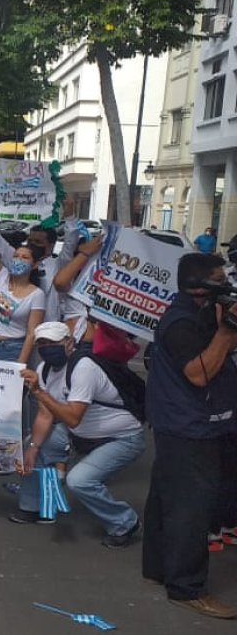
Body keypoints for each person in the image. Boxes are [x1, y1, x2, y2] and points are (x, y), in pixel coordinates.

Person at [142, 253, 237, 619]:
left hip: (181, 422)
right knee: (191, 509)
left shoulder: (199, 313)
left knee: (166, 498)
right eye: (219, 279)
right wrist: (227, 332)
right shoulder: (181, 322)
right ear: (201, 287)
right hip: (189, 427)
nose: (226, 283)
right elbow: (199, 374)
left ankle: (158, 568)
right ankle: (187, 588)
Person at [13, 322, 145, 548]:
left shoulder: (84, 367)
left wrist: (38, 392)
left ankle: (125, 522)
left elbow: (73, 416)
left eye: (53, 343)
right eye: (42, 343)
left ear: (69, 343)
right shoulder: (45, 368)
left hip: (121, 438)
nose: (47, 347)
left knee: (80, 481)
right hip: (79, 434)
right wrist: (33, 449)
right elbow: (45, 415)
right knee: (31, 444)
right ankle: (34, 506)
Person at [0, 201, 80, 323]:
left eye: (38, 242)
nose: (32, 244)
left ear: (51, 245)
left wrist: (70, 215)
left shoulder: (59, 264)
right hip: (15, 329)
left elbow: (71, 243)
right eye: (30, 240)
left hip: (45, 330)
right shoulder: (18, 257)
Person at [0, 205, 45, 364]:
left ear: (34, 265)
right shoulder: (2, 276)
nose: (18, 260)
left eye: (24, 258)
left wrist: (20, 363)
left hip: (12, 349)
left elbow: (31, 333)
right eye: (16, 256)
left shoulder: (37, 295)